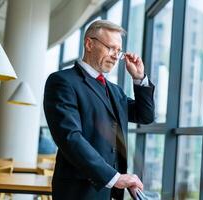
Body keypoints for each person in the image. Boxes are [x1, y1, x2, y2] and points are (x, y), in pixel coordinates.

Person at [43, 20, 155, 200]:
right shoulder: (62, 81)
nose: (114, 56)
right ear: (89, 43)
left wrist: (139, 78)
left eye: (118, 52)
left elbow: (145, 115)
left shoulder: (115, 90)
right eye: (111, 48)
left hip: (111, 193)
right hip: (78, 192)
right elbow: (70, 138)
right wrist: (115, 178)